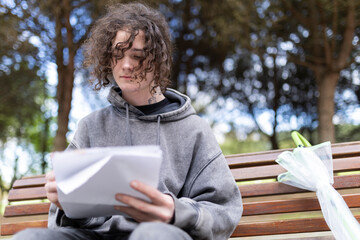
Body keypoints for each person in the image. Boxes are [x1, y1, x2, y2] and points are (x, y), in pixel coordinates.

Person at [12, 2, 243, 240]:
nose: (126, 65)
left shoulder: (194, 130)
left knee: (152, 234)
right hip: (98, 236)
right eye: (117, 54)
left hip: (161, 235)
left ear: (159, 59)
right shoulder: (91, 127)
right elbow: (61, 223)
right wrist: (68, 204)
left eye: (138, 56)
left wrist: (174, 212)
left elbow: (224, 211)